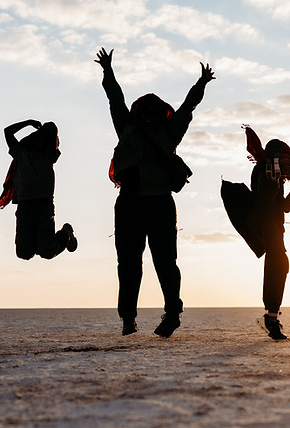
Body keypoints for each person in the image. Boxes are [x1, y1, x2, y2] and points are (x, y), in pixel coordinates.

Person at [95, 47, 215, 337]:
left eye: (151, 111)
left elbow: (186, 109)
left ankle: (160, 315)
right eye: (145, 111)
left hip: (149, 204)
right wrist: (107, 71)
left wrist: (201, 84)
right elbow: (116, 99)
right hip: (141, 204)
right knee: (140, 264)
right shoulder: (144, 129)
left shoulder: (150, 130)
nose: (148, 115)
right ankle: (139, 317)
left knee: (150, 264)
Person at [221, 126, 290, 340]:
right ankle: (271, 318)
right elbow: (265, 199)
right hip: (263, 222)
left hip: (271, 224)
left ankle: (272, 316)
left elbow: (280, 206)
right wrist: (272, 178)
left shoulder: (273, 173)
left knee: (280, 264)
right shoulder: (266, 170)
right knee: (278, 263)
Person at [0, 119, 77, 260]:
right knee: (23, 253)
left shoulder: (48, 153)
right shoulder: (20, 152)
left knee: (47, 251)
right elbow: (7, 132)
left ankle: (65, 233)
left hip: (43, 204)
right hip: (24, 205)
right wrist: (28, 122)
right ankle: (45, 241)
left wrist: (42, 128)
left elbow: (51, 128)